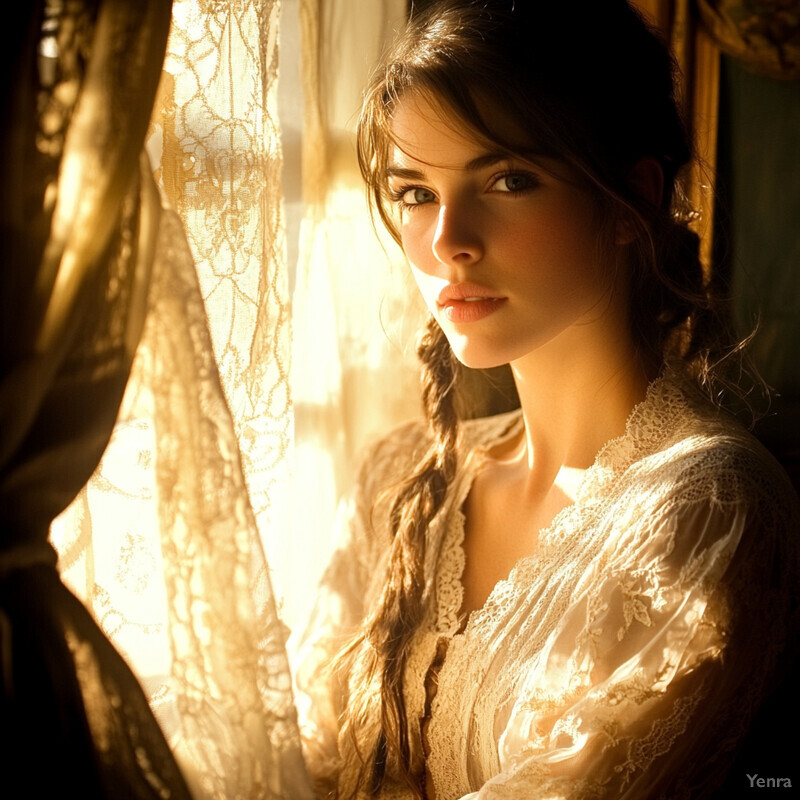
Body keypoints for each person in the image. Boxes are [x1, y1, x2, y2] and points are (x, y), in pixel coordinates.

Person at [294, 1, 800, 798]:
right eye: (416, 193)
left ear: (630, 200)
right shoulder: (395, 478)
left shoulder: (705, 507)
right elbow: (299, 765)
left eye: (508, 179)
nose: (449, 241)